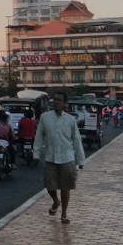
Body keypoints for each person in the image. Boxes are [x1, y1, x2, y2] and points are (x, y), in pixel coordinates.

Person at [34, 91, 85, 224]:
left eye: (59, 100)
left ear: (64, 103)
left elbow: (77, 140)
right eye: (55, 99)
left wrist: (81, 159)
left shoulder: (70, 120)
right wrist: (36, 153)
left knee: (65, 187)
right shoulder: (45, 118)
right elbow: (39, 137)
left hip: (67, 158)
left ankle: (64, 213)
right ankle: (55, 201)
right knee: (49, 185)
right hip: (51, 157)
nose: (56, 102)